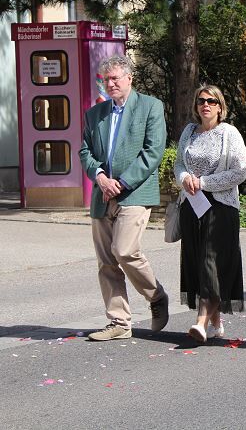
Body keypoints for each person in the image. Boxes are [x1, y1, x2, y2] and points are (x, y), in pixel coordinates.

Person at [78, 55, 169, 341]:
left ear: (129, 78)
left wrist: (122, 182)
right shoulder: (95, 113)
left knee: (125, 250)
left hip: (134, 192)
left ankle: (156, 295)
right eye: (106, 79)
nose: (111, 83)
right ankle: (119, 322)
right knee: (106, 261)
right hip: (102, 194)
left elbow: (153, 151)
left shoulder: (150, 106)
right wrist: (100, 176)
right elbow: (85, 151)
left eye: (116, 78)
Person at [175, 85, 246, 343]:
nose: (205, 105)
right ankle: (215, 323)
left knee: (211, 263)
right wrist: (185, 178)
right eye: (201, 101)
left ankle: (201, 323)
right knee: (197, 263)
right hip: (191, 205)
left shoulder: (229, 133)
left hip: (220, 208)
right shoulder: (189, 132)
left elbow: (240, 171)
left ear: (220, 106)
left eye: (211, 101)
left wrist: (204, 182)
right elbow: (179, 164)